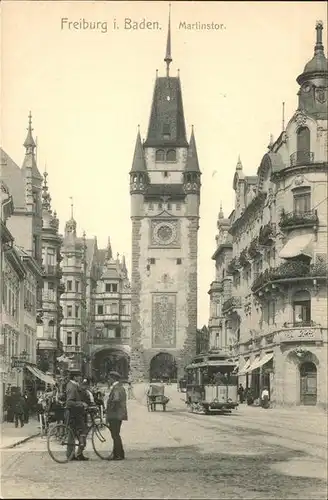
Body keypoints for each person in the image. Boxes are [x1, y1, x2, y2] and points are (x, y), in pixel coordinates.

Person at [65, 369, 89, 461]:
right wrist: (81, 404)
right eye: (79, 376)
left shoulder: (75, 385)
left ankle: (76, 454)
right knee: (75, 434)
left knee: (78, 433)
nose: (80, 378)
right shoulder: (71, 387)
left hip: (77, 413)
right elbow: (69, 402)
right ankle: (73, 454)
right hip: (73, 414)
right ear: (74, 377)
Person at [106, 371, 127, 461]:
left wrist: (108, 409)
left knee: (115, 435)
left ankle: (118, 455)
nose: (108, 380)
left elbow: (116, 400)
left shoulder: (117, 388)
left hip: (115, 414)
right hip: (118, 414)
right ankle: (118, 454)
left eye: (109, 378)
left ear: (112, 378)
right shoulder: (119, 387)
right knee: (116, 434)